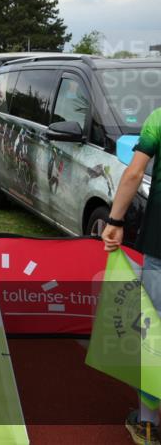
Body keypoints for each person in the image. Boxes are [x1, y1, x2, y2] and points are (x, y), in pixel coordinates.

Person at [102, 105, 161, 444]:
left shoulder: (157, 118)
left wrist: (115, 221)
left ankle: (148, 424)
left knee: (155, 335)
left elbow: (134, 174)